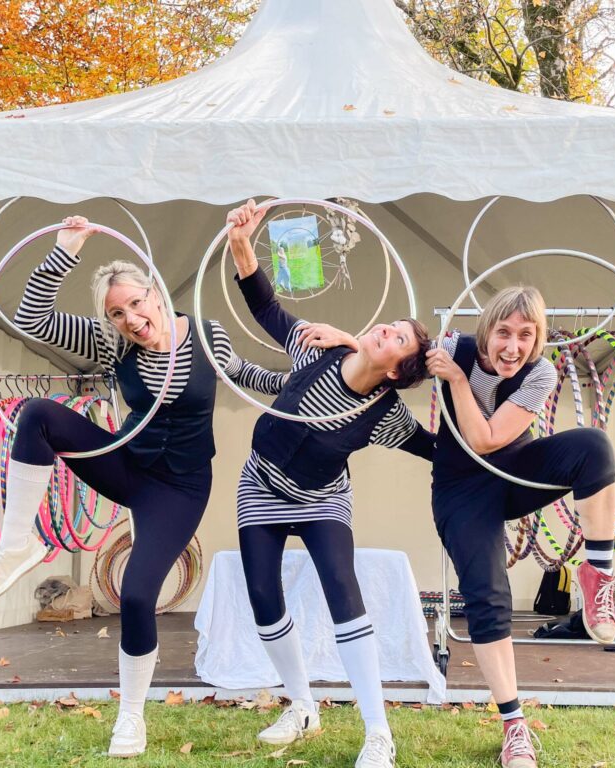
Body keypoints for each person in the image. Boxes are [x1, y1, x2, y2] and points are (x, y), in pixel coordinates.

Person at [0, 216, 287, 758]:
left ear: (155, 294)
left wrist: (329, 374)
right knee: (38, 415)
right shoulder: (114, 346)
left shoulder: (207, 334)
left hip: (179, 488)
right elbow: (29, 317)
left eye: (136, 304)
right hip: (125, 464)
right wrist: (64, 251)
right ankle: (16, 542)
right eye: (117, 313)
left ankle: (131, 718)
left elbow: (249, 375)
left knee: (137, 594)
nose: (130, 319)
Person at [226, 199, 433, 768]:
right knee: (264, 599)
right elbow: (265, 306)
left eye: (398, 340)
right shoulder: (314, 347)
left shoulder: (386, 414)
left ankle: (377, 734)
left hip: (322, 499)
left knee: (345, 594)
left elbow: (434, 450)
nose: (386, 329)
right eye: (390, 325)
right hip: (261, 485)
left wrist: (485, 426)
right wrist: (244, 242)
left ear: (397, 371)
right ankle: (301, 705)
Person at [425, 286, 615, 768]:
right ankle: (514, 727)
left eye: (526, 335)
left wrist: (456, 383)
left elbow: (488, 438)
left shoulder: (541, 373)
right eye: (504, 332)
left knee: (594, 446)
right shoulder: (455, 349)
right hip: (461, 493)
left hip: (515, 475)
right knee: (488, 597)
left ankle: (598, 573)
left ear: (536, 341)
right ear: (487, 329)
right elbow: (384, 358)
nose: (512, 346)